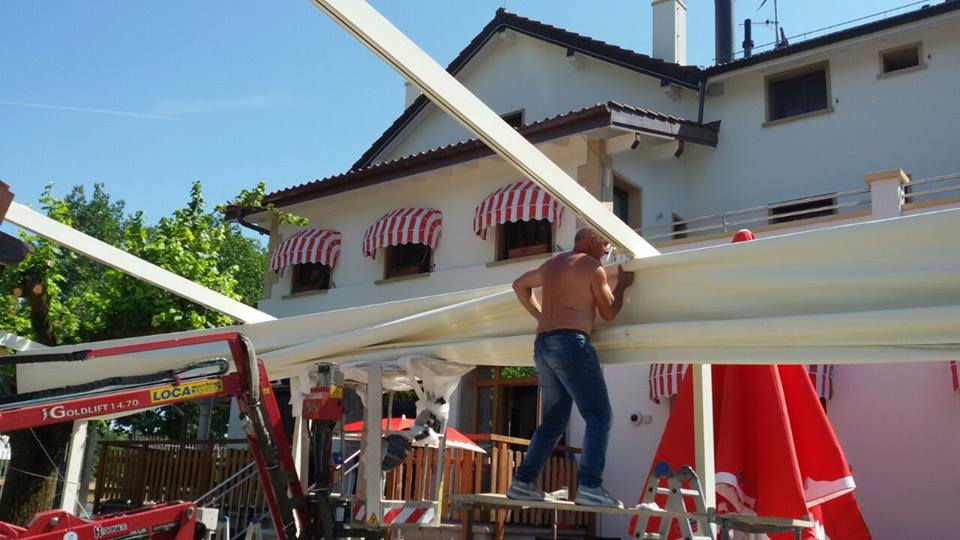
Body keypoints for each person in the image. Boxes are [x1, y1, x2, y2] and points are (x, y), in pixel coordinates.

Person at [506, 227, 634, 508]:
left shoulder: (553, 264)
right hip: (572, 343)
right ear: (590, 240)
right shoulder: (592, 267)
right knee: (599, 415)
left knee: (553, 421)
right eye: (604, 244)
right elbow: (609, 313)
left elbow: (519, 284)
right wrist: (622, 284)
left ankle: (523, 483)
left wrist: (540, 316)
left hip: (543, 344)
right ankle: (590, 486)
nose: (606, 251)